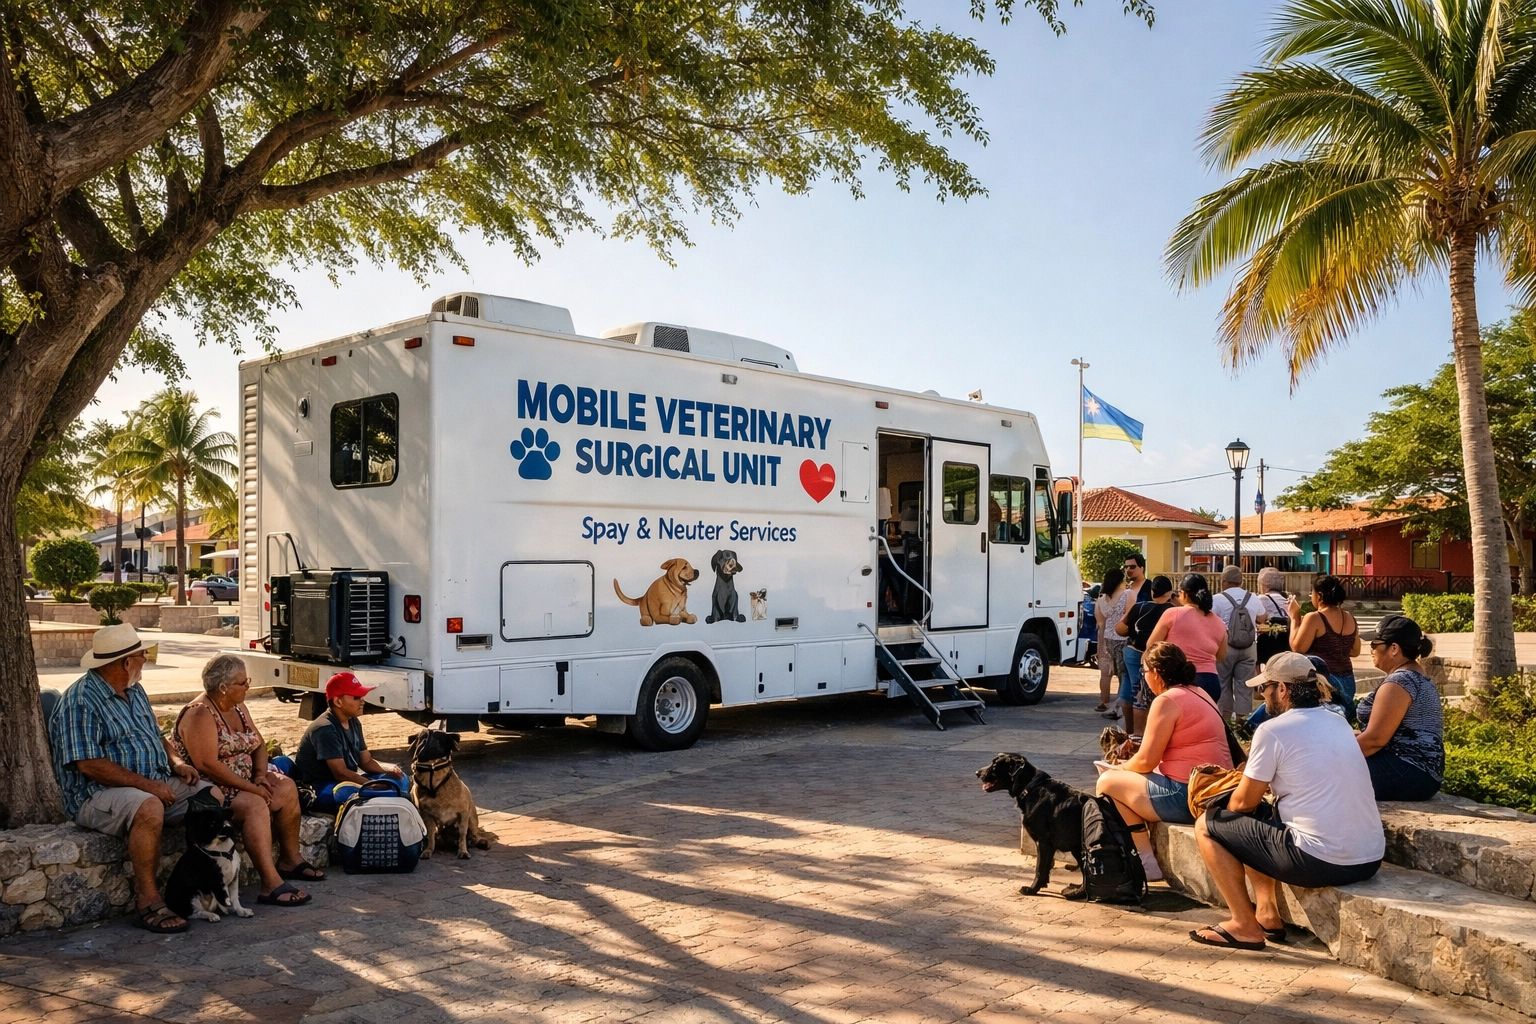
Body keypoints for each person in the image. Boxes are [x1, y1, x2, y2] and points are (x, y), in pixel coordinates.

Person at [1191, 651, 1384, 950]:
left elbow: (1242, 805)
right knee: (1260, 816)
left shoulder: (1273, 730)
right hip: (1369, 858)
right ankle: (1267, 912)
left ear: (1282, 688)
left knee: (1208, 825)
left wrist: (1224, 816)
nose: (1261, 694)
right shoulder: (1338, 721)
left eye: (1265, 687)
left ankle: (1243, 925)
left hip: (1322, 861)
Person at [47, 624, 215, 934]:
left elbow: (155, 734)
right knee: (150, 806)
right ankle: (147, 901)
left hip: (153, 780)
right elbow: (89, 765)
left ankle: (196, 885)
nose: (146, 661)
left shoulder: (134, 689)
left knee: (211, 798)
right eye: (143, 656)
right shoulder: (81, 700)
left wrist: (176, 762)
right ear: (127, 662)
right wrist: (150, 786)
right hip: (95, 793)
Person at [171, 654, 319, 906]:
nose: (248, 686)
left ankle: (290, 859)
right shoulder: (200, 713)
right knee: (254, 805)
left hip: (244, 782)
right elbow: (208, 764)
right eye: (243, 682)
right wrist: (252, 788)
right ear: (223, 688)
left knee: (286, 787)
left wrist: (261, 776)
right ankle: (270, 883)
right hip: (212, 790)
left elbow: (258, 743)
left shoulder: (238, 707)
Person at [1096, 642, 1232, 882]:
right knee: (1123, 782)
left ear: (1156, 672)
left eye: (1144, 671)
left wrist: (1116, 768)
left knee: (1107, 783)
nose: (1143, 676)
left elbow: (1146, 761)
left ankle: (1146, 862)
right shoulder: (1199, 693)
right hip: (1213, 791)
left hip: (1187, 796)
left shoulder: (1166, 701)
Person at [281, 672, 408, 812]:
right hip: (321, 786)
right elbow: (340, 773)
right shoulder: (325, 728)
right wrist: (371, 784)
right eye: (356, 697)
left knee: (402, 779)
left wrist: (390, 769)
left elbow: (366, 761)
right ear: (338, 701)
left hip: (343, 780)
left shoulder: (354, 722)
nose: (362, 701)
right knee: (355, 793)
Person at [1356, 614, 1444, 801]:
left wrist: (1330, 754)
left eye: (1374, 644)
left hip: (1406, 771)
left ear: (1394, 649)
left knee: (1319, 773)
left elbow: (1375, 740)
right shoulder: (1415, 676)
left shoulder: (1399, 682)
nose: (1370, 649)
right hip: (1418, 773)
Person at [1147, 573, 1227, 704]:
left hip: (1180, 680)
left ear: (1183, 594)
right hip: (1211, 682)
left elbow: (1151, 645)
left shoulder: (1173, 614)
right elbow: (1221, 656)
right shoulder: (1218, 622)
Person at [1287, 574, 1360, 717]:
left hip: (1325, 683)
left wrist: (1295, 617)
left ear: (1319, 596)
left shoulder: (1314, 617)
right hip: (1348, 682)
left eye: (1311, 593)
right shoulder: (1349, 617)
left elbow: (1297, 649)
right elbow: (1355, 651)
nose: (1310, 596)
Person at [1116, 574, 1175, 734]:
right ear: (1169, 593)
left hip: (1132, 652)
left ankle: (1129, 732)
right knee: (1142, 692)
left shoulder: (1140, 607)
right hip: (1153, 656)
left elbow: (1119, 629)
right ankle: (1141, 733)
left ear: (1152, 592)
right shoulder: (1172, 611)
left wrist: (1134, 632)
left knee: (1129, 687)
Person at [1210, 565, 1268, 720]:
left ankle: (1226, 722)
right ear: (1241, 581)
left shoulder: (1217, 599)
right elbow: (1263, 617)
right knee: (1245, 685)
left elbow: (1209, 619)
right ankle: (1242, 722)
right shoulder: (1253, 598)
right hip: (1249, 647)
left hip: (1225, 646)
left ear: (1224, 581)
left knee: (1223, 683)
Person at [1094, 568, 1132, 715]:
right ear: (1119, 581)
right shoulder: (1127, 595)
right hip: (1122, 637)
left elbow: (1099, 621)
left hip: (1105, 638)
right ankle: (1121, 704)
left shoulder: (1101, 599)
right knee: (1123, 674)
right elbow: (1129, 616)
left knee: (1105, 673)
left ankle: (1103, 702)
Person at [1254, 567, 1291, 666]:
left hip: (1268, 645)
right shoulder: (1287, 600)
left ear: (1263, 585)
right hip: (1285, 644)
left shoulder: (1261, 599)